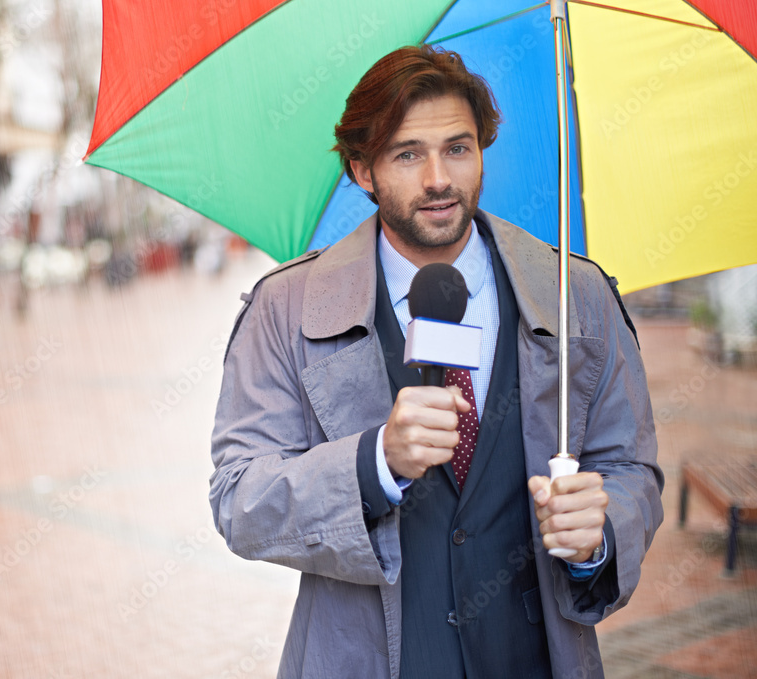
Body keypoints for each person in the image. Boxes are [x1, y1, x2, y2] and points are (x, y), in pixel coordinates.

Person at [209, 45, 663, 679]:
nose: (438, 180)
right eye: (407, 154)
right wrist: (374, 462)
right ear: (362, 169)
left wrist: (598, 534)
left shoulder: (574, 293)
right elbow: (240, 499)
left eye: (457, 148)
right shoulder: (285, 308)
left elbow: (629, 465)